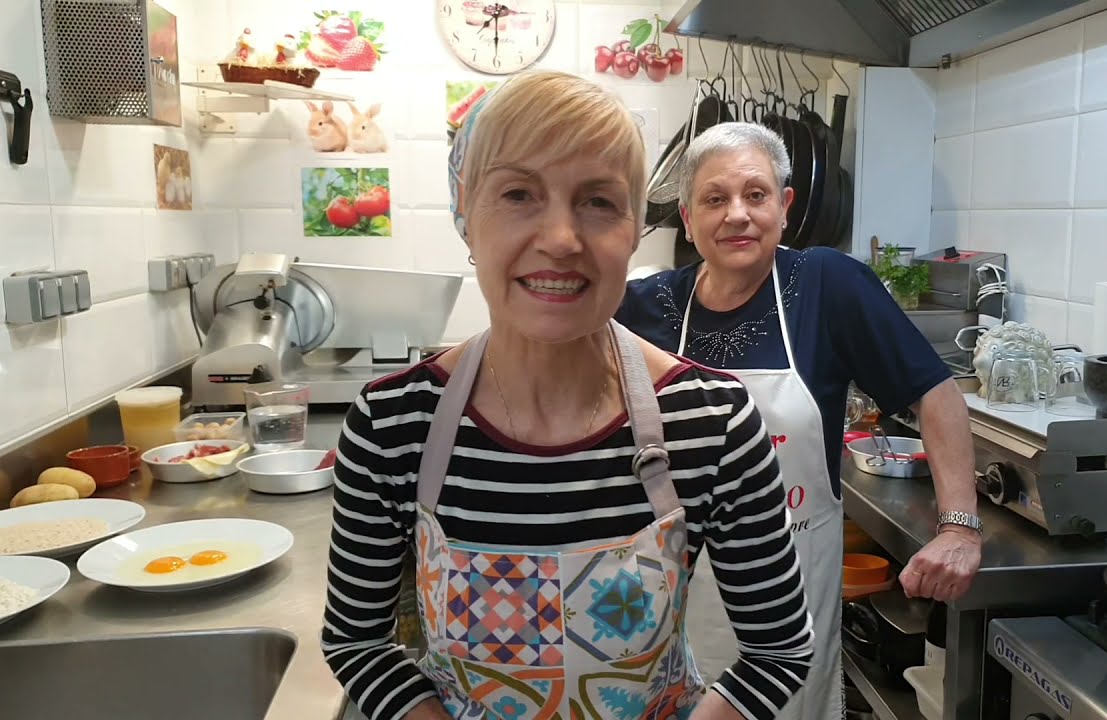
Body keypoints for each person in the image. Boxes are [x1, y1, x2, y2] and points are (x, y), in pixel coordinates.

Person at [322, 73, 814, 720]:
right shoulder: (392, 426)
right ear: (465, 216)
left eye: (598, 202)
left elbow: (779, 652)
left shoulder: (712, 422)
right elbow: (356, 642)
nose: (560, 238)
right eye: (518, 193)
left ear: (636, 227)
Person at [617, 122, 982, 720]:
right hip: (667, 596)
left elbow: (936, 394)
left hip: (786, 599)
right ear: (687, 217)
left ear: (784, 207)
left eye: (755, 195)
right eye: (715, 199)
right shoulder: (648, 306)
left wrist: (959, 529)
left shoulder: (825, 285)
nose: (737, 214)